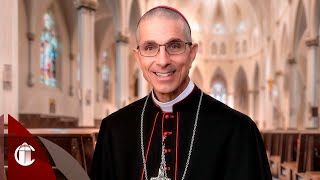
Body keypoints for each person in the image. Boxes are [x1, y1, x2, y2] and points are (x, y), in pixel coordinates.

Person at [90, 6, 272, 180]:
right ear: (138, 56)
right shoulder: (114, 130)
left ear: (192, 53)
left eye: (174, 46)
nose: (162, 61)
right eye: (150, 47)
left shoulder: (239, 131)